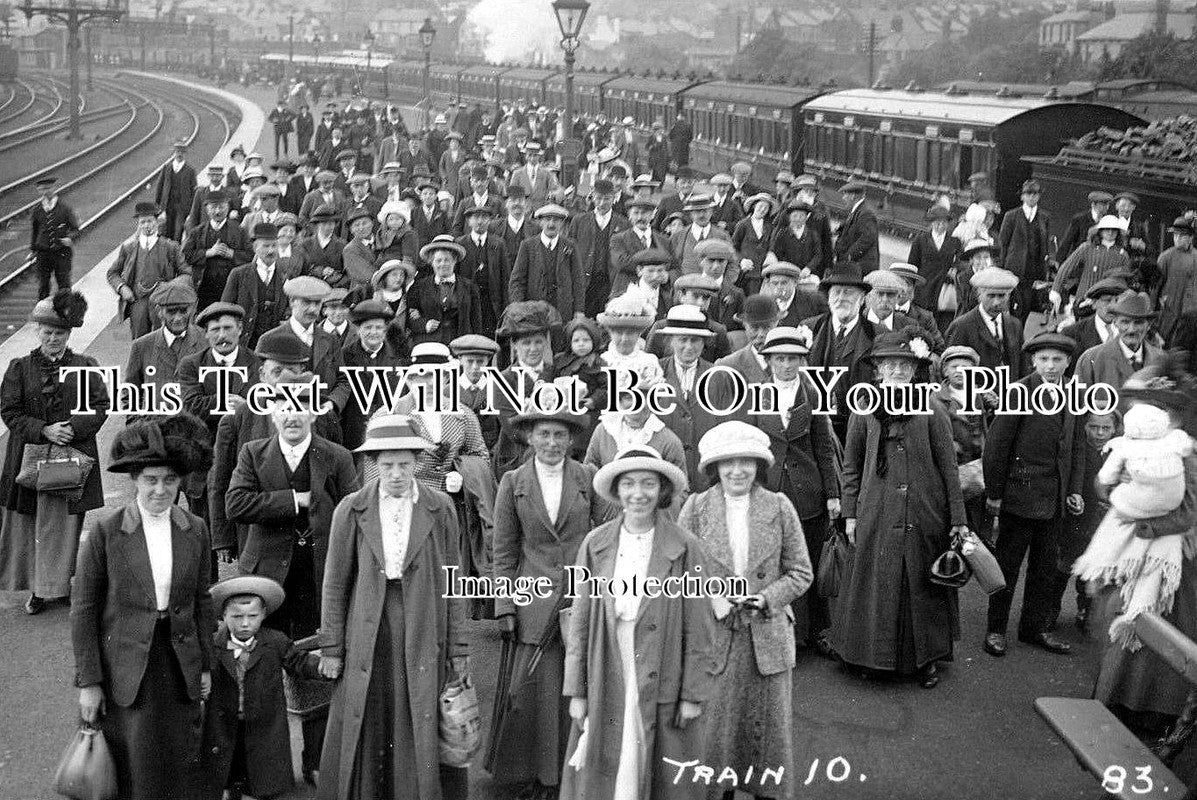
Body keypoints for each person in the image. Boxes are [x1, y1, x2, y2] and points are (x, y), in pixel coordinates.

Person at [317, 415, 470, 800]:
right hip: (368, 625)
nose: (396, 474)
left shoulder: (440, 508)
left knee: (416, 708)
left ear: (417, 462)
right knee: (369, 710)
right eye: (387, 465)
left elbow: (454, 583)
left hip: (425, 622)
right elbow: (335, 584)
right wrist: (332, 647)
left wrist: (458, 649)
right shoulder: (351, 509)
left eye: (404, 464)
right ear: (374, 465)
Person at [71, 414, 214, 800]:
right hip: (127, 671)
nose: (160, 489)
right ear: (134, 479)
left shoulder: (195, 528)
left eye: (169, 480)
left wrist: (204, 664)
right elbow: (83, 609)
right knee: (133, 770)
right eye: (150, 479)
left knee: (179, 764)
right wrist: (89, 683)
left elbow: (202, 599)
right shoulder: (106, 531)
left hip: (177, 661)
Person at [560, 446, 711, 800]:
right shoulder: (595, 544)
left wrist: (692, 694)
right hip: (609, 660)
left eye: (648, 484)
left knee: (658, 762)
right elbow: (580, 620)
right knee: (610, 758)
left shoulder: (686, 547)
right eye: (628, 484)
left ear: (662, 491)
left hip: (663, 663)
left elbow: (700, 628)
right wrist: (577, 690)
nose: (638, 494)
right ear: (617, 490)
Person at [678, 422, 812, 800]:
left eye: (746, 462)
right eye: (728, 463)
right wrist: (717, 600)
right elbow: (678, 572)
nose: (737, 471)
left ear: (759, 465)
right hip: (715, 638)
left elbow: (801, 572)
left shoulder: (780, 506)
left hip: (766, 639)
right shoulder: (697, 508)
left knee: (765, 741)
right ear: (714, 468)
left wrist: (767, 597)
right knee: (714, 742)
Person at [834, 331, 968, 689]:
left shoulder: (933, 410)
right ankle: (872, 658)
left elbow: (948, 466)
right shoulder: (863, 411)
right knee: (877, 583)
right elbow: (851, 465)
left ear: (915, 371)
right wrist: (850, 513)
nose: (897, 370)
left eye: (905, 365)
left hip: (924, 512)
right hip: (877, 511)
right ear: (878, 369)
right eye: (890, 364)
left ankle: (925, 660)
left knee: (920, 584)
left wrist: (957, 518)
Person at [489, 401, 602, 799]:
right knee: (534, 692)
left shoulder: (589, 478)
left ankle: (568, 774)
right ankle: (536, 777)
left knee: (575, 691)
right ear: (529, 437)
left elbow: (606, 538)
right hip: (531, 603)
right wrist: (504, 606)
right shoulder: (513, 482)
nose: (552, 442)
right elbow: (502, 552)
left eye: (559, 434)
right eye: (544, 434)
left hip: (580, 600)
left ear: (572, 439)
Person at [0, 291, 108, 615]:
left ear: (69, 334)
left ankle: (60, 587)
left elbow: (101, 405)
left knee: (66, 525)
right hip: (29, 459)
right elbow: (9, 410)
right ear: (37, 332)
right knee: (32, 523)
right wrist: (44, 429)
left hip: (71, 457)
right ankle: (37, 589)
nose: (53, 339)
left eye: (59, 333)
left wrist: (72, 428)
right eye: (47, 333)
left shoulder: (86, 366)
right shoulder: (19, 368)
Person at [982, 332, 1087, 658]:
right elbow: (996, 448)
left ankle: (1034, 629)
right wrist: (995, 493)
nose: (1051, 365)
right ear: (1034, 361)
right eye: (1044, 359)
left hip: (1054, 499)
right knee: (1008, 566)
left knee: (1045, 568)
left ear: (1068, 362)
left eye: (1058, 359)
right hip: (1020, 494)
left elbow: (1076, 446)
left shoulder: (1074, 392)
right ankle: (996, 629)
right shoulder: (1020, 392)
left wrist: (1073, 489)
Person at [749, 326, 841, 655]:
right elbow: (751, 445)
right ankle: (778, 628)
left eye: (793, 359)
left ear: (802, 361)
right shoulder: (757, 394)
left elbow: (823, 446)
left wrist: (832, 493)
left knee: (810, 559)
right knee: (772, 562)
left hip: (807, 490)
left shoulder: (812, 394)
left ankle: (818, 630)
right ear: (770, 360)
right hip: (770, 487)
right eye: (780, 358)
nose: (786, 365)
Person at [200, 576, 322, 800]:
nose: (245, 623)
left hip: (264, 720)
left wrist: (323, 666)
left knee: (260, 762)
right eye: (237, 617)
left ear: (264, 614)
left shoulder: (275, 641)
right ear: (223, 616)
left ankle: (260, 789)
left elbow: (298, 661)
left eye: (252, 616)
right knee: (229, 757)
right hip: (226, 719)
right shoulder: (213, 644)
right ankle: (229, 787)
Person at [123, 279, 205, 423]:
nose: (178, 318)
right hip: (155, 434)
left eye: (183, 311)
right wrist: (137, 427)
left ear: (192, 309)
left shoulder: (206, 341)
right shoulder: (142, 346)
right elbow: (130, 393)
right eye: (171, 312)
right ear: (159, 312)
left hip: (196, 435)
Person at [108, 201, 192, 339]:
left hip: (163, 303)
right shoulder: (128, 248)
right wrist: (122, 288)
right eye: (143, 222)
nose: (147, 226)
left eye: (150, 221)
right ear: (138, 225)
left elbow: (186, 273)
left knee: (163, 338)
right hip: (137, 301)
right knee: (139, 340)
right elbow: (112, 273)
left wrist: (170, 285)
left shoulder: (170, 247)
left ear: (157, 223)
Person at [510, 203, 586, 324]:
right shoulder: (527, 246)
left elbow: (578, 281)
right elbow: (517, 281)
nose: (551, 224)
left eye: (556, 220)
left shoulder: (570, 245)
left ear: (562, 223)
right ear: (540, 222)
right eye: (547, 220)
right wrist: (519, 308)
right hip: (534, 312)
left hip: (563, 312)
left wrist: (579, 311)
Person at [1074, 290, 1165, 390]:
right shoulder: (1091, 360)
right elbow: (1077, 403)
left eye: (1138, 323)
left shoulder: (1162, 361)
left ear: (1149, 325)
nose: (1131, 329)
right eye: (1125, 322)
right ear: (1115, 322)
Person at [945, 267, 1025, 376]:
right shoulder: (962, 326)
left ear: (1009, 296)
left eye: (1001, 296)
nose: (996, 302)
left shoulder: (1015, 325)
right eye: (991, 296)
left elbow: (1022, 368)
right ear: (979, 295)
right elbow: (952, 370)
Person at [222, 222, 290, 349]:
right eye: (266, 246)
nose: (271, 250)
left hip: (274, 343)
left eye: (274, 246)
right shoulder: (238, 274)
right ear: (255, 248)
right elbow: (225, 309)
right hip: (244, 342)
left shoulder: (285, 275)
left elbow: (288, 307)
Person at [183, 189, 253, 312]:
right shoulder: (197, 232)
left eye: (221, 207)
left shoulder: (240, 231)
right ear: (207, 209)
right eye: (213, 207)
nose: (217, 211)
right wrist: (208, 252)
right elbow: (186, 255)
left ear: (228, 207)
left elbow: (251, 256)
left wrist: (233, 254)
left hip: (232, 283)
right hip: (204, 285)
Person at [407, 235, 482, 345]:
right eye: (438, 260)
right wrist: (425, 325)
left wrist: (475, 345)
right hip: (429, 344)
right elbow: (410, 319)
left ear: (455, 261)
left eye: (447, 260)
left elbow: (476, 321)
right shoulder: (419, 287)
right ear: (431, 262)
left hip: (461, 344)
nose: (443, 264)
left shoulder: (469, 287)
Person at [1050, 215, 1131, 315]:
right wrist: (1056, 289)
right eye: (1107, 229)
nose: (1110, 232)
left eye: (1114, 229)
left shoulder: (1123, 255)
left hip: (1108, 305)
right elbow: (1066, 268)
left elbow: (1124, 282)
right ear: (1100, 231)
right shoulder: (1087, 248)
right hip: (1083, 300)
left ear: (1118, 232)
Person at [997, 179, 1052, 320]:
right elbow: (1003, 244)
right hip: (1015, 270)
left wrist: (1043, 272)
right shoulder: (1012, 216)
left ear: (1039, 196)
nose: (1032, 197)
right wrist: (1002, 269)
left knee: (1029, 308)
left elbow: (1044, 244)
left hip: (1034, 272)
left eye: (1035, 194)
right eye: (1028, 194)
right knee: (1014, 307)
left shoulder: (1044, 217)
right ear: (1022, 196)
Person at [908, 205, 962, 330]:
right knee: (921, 320)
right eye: (937, 223)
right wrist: (911, 286)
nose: (940, 226)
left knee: (940, 321)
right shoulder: (920, 240)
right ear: (932, 223)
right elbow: (912, 264)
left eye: (944, 223)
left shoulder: (954, 242)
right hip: (924, 286)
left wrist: (954, 268)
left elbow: (960, 262)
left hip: (943, 287)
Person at [29, 176, 80, 300]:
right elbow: (35, 232)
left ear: (54, 188)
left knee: (64, 285)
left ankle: (66, 311)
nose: (45, 192)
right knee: (43, 285)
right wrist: (33, 251)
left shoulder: (65, 208)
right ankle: (41, 312)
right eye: (42, 189)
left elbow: (76, 230)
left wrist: (70, 239)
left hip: (61, 253)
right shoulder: (36, 210)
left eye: (48, 188)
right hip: (43, 253)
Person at [1154, 216, 1197, 343]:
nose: (1177, 239)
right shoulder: (1166, 257)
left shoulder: (1196, 256)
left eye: (1182, 236)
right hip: (1170, 311)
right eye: (1175, 235)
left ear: (1190, 238)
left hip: (1191, 314)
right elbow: (1156, 287)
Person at [733, 193, 777, 296]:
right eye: (760, 206)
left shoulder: (769, 227)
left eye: (766, 208)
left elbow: (771, 246)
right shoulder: (743, 224)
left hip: (760, 273)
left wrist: (770, 255)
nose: (762, 210)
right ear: (754, 206)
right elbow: (733, 247)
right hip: (744, 272)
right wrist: (742, 260)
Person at [154, 141, 197, 242]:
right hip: (167, 206)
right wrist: (158, 207)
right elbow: (159, 187)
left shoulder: (190, 170)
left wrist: (191, 211)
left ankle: (175, 254)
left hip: (182, 208)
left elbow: (194, 192)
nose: (179, 154)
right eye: (177, 151)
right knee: (165, 232)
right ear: (174, 152)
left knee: (178, 232)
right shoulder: (167, 168)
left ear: (185, 154)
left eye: (182, 152)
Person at [833, 181, 879, 274]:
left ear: (853, 196)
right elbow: (853, 226)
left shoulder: (866, 213)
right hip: (855, 265)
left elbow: (867, 238)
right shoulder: (858, 211)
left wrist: (849, 256)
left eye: (845, 195)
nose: (843, 198)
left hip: (860, 266)